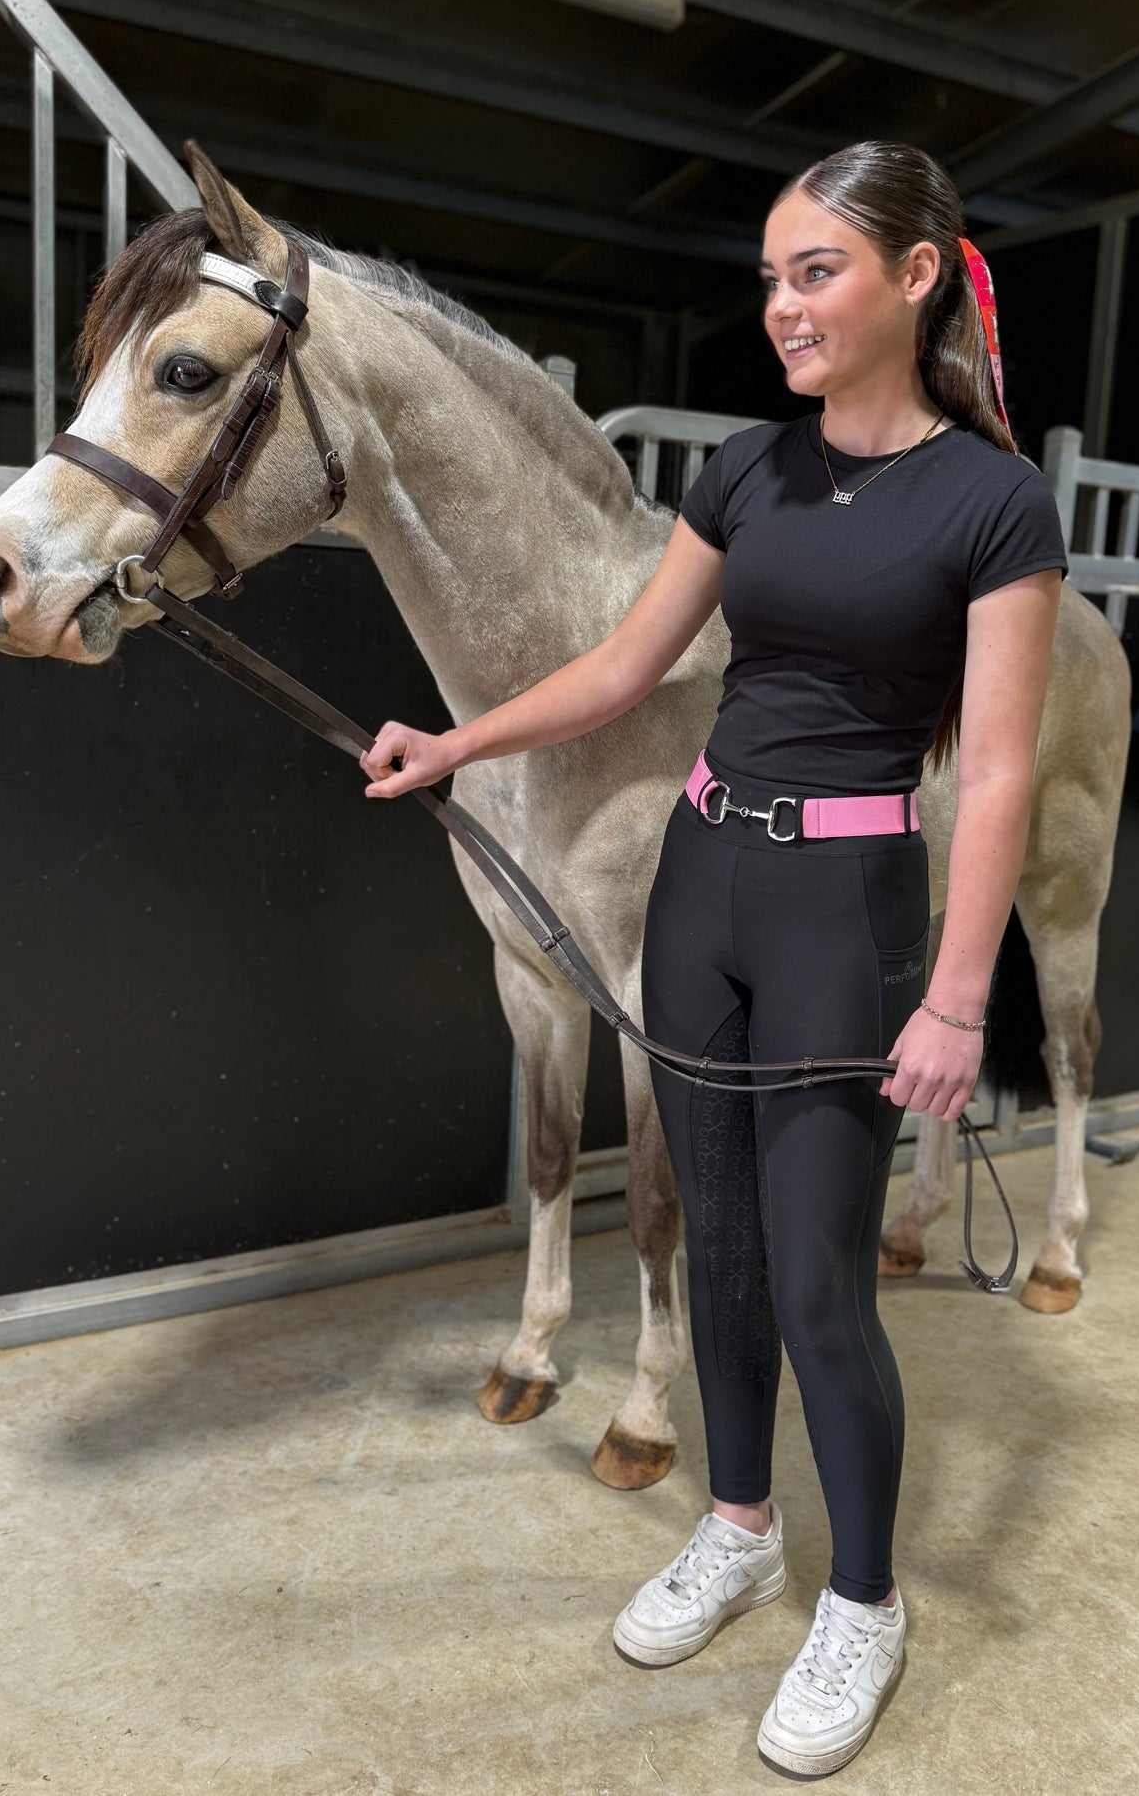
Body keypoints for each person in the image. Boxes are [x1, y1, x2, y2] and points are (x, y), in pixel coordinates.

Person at [358, 139, 1068, 1778]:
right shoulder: (746, 471)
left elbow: (1003, 772)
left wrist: (959, 995)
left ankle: (866, 1603)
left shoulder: (992, 501)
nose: (781, 305)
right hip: (703, 886)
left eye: (813, 270)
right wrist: (452, 742)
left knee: (822, 1287)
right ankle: (739, 1526)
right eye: (768, 276)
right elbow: (620, 666)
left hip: (846, 911)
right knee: (721, 1252)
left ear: (912, 275)